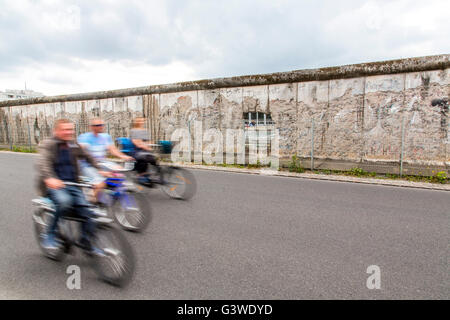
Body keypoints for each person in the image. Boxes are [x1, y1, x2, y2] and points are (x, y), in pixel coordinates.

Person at [35, 119, 108, 252]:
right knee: (64, 201)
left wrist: (99, 169)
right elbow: (43, 163)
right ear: (56, 131)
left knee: (87, 211)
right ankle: (49, 233)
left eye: (71, 129)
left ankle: (86, 241)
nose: (69, 132)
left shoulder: (73, 144)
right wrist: (50, 178)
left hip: (73, 184)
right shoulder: (48, 144)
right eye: (65, 129)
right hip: (55, 186)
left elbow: (87, 156)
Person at [77, 118, 134, 197]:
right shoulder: (84, 137)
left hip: (103, 162)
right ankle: (93, 202)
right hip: (88, 164)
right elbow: (81, 152)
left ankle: (108, 195)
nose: (101, 127)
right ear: (91, 127)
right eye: (97, 125)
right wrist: (99, 170)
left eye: (102, 125)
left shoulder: (106, 136)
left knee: (118, 174)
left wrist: (124, 156)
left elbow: (113, 150)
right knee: (100, 182)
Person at [130, 117, 164, 184]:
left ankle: (158, 176)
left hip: (145, 150)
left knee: (154, 159)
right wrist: (144, 146)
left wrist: (152, 144)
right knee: (145, 157)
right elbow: (136, 142)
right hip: (137, 151)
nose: (142, 122)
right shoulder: (133, 130)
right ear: (137, 122)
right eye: (140, 121)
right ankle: (141, 175)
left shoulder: (145, 130)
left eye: (143, 121)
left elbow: (148, 141)